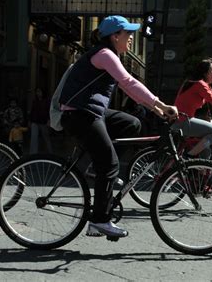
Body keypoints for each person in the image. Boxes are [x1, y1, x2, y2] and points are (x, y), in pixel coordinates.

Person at [58, 15, 177, 238]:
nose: (131, 38)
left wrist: (155, 109)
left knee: (132, 123)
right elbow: (129, 82)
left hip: (93, 112)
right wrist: (160, 103)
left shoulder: (109, 55)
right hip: (80, 114)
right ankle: (99, 221)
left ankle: (97, 168)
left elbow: (129, 89)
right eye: (128, 34)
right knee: (111, 164)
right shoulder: (104, 54)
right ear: (115, 36)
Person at [29, 88, 53, 154]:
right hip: (35, 121)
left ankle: (50, 153)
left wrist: (49, 120)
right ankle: (33, 154)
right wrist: (30, 121)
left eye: (39, 91)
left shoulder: (47, 101)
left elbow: (49, 111)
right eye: (37, 92)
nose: (38, 93)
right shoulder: (35, 101)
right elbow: (32, 111)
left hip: (43, 121)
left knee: (46, 138)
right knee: (34, 138)